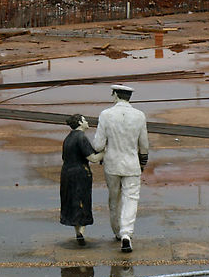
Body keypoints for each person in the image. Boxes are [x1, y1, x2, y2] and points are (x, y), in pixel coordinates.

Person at [91, 84, 149, 253]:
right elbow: (144, 145)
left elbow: (98, 144)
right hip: (132, 164)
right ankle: (126, 234)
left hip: (112, 163)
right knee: (131, 198)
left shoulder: (106, 115)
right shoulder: (139, 116)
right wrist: (143, 162)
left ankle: (117, 231)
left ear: (115, 95)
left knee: (114, 198)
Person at [60, 114, 103, 247]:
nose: (87, 122)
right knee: (83, 201)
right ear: (80, 122)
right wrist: (106, 151)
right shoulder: (81, 137)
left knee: (72, 201)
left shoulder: (68, 138)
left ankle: (78, 231)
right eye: (84, 120)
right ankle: (82, 232)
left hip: (67, 173)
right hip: (80, 173)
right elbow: (93, 158)